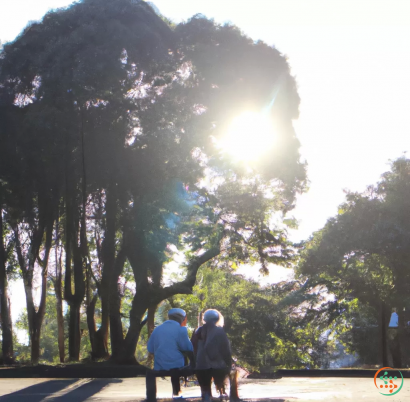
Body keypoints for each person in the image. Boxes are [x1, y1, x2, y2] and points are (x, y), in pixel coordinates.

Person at [147, 308, 194, 399]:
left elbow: (150, 349)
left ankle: (151, 397)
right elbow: (188, 348)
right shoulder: (181, 330)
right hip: (177, 367)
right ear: (182, 319)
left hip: (159, 366)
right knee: (180, 361)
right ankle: (177, 392)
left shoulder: (157, 330)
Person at [191, 309, 232, 402]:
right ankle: (221, 392)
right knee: (221, 382)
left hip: (201, 367)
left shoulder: (197, 332)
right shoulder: (219, 331)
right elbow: (226, 350)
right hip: (217, 367)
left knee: (205, 390)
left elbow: (193, 348)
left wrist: (193, 364)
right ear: (217, 319)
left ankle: (206, 396)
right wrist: (228, 364)